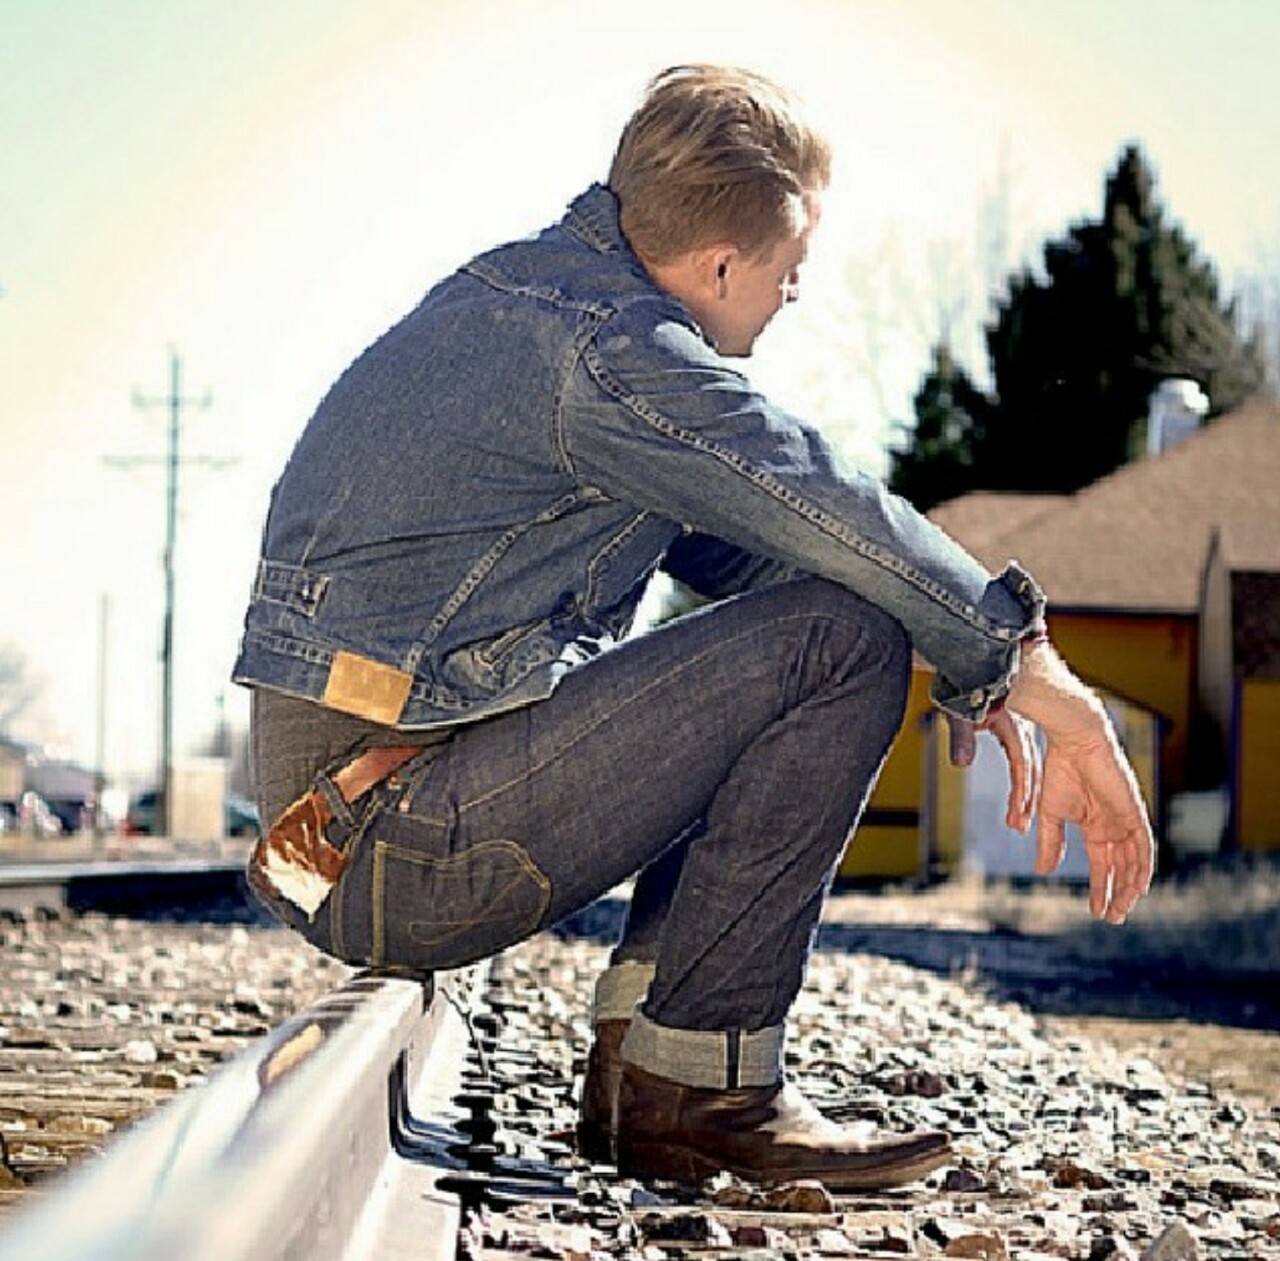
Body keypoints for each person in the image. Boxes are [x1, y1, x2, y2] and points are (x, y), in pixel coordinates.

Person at [232, 64, 1154, 1192]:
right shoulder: (614, 354)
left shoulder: (534, 303)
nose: (792, 295)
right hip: (385, 842)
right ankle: (697, 1088)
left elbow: (764, 550)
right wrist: (1031, 670)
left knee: (846, 617)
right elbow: (816, 492)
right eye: (790, 270)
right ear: (721, 263)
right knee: (839, 640)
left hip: (355, 824)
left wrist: (958, 657)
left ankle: (643, 1070)